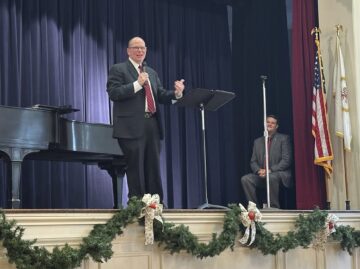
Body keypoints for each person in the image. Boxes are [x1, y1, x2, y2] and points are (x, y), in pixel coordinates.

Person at [106, 36, 185, 202]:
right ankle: (137, 206)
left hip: (152, 124)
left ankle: (156, 206)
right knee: (136, 169)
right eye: (136, 47)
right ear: (128, 51)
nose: (140, 51)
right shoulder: (118, 69)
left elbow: (161, 95)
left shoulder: (151, 72)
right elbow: (114, 93)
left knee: (153, 167)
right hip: (130, 127)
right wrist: (137, 84)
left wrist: (177, 94)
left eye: (142, 48)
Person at [241, 115, 292, 208]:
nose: (270, 124)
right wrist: (258, 171)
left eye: (273, 123)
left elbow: (286, 160)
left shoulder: (284, 139)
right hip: (262, 174)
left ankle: (273, 207)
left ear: (276, 126)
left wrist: (270, 170)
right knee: (246, 179)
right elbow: (253, 161)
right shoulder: (257, 141)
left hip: (279, 174)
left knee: (271, 177)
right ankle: (254, 208)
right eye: (268, 122)